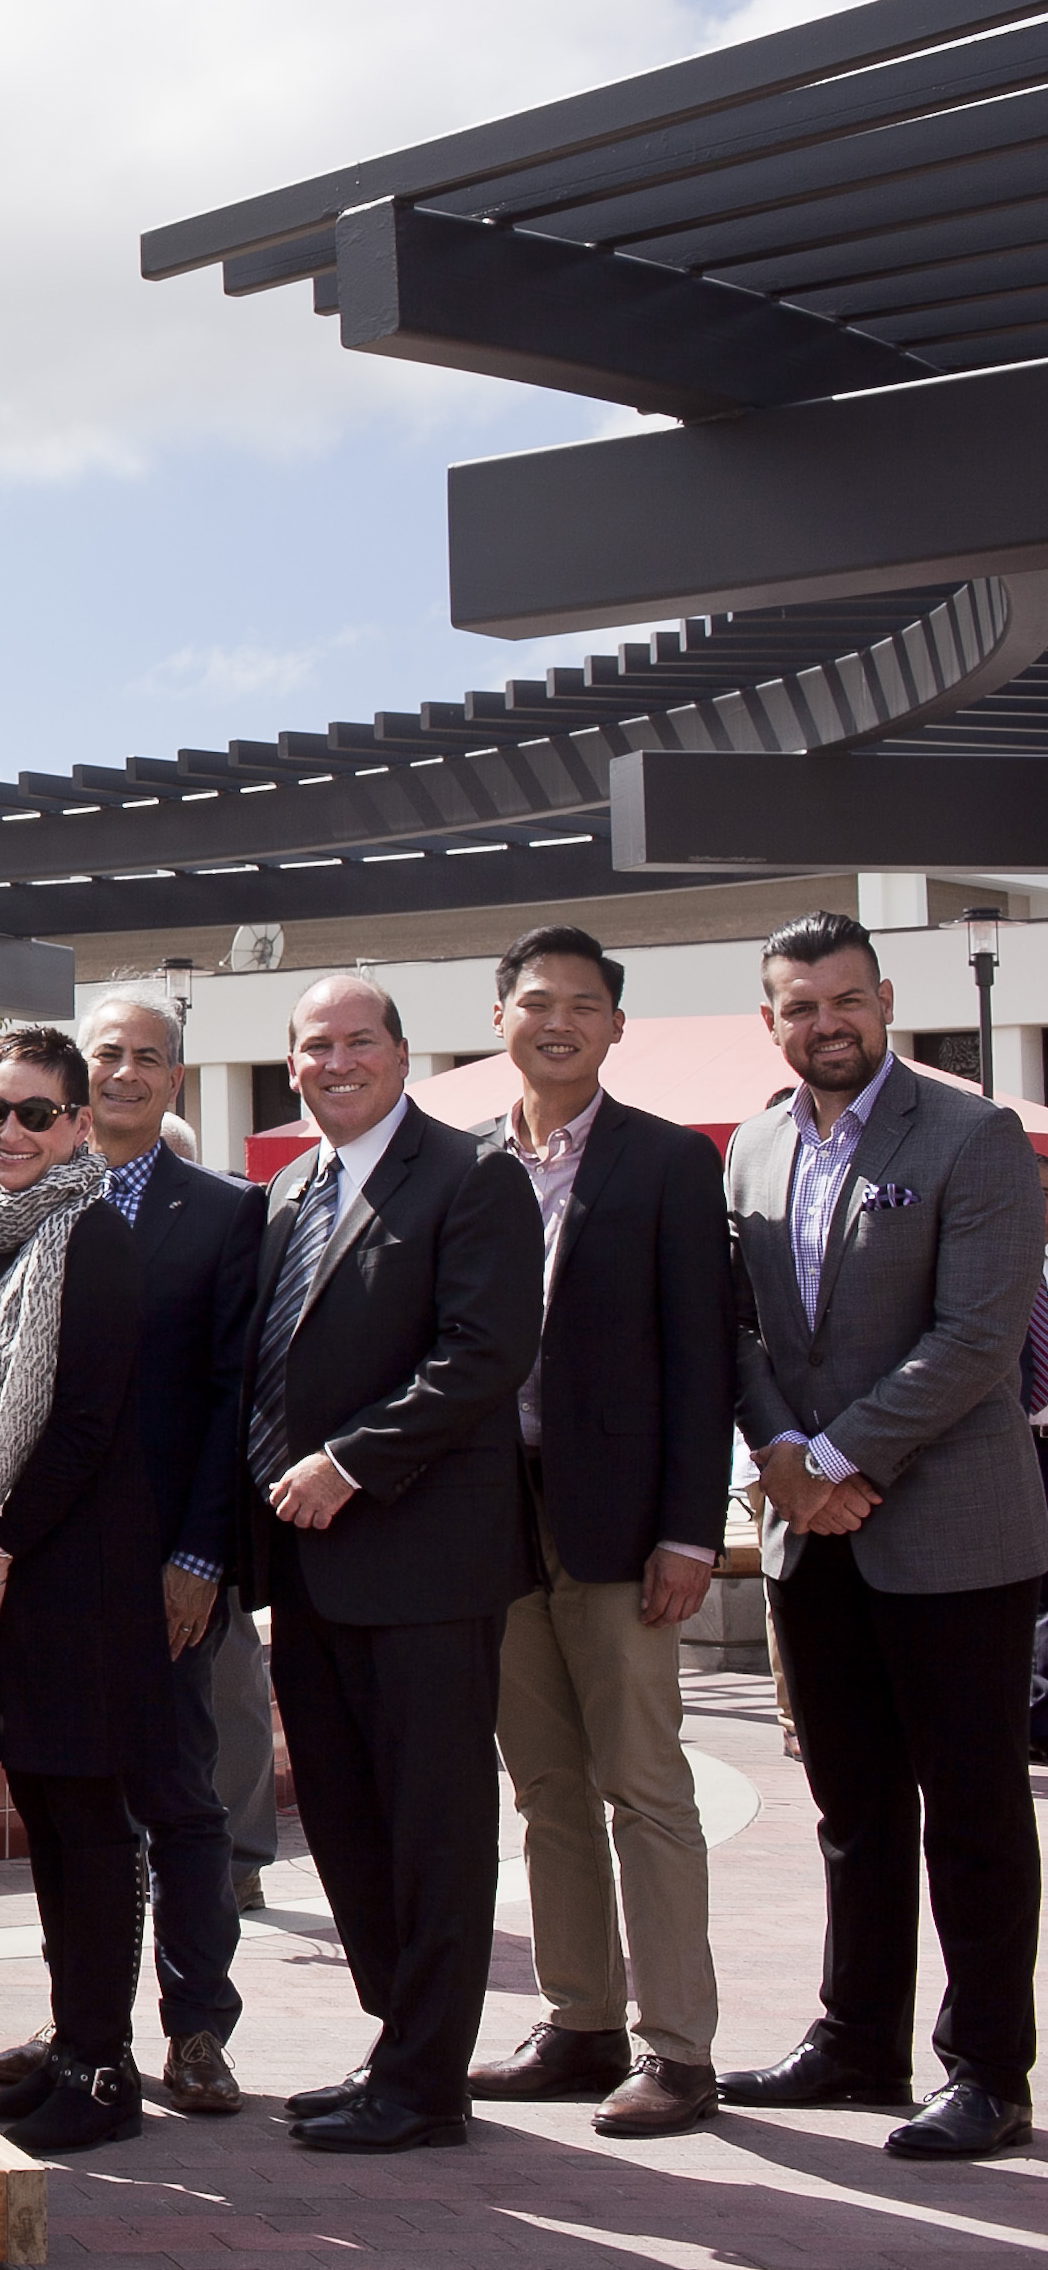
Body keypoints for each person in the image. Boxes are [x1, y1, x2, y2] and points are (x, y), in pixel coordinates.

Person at [716, 912, 1048, 2161]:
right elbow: (737, 1330)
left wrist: (838, 1460)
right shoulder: (748, 1148)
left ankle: (988, 2071)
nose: (826, 1024)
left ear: (886, 999)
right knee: (850, 1807)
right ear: (772, 1021)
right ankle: (858, 2042)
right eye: (800, 1007)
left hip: (953, 1528)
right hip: (814, 1533)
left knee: (969, 1808)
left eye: (845, 1000)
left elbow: (977, 1335)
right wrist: (784, 1463)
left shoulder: (974, 1135)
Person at [246, 973, 541, 2157]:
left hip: (423, 1562)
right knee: (348, 1824)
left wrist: (347, 1463)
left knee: (433, 1826)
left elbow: (484, 1353)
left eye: (358, 1041)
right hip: (308, 1572)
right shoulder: (287, 1191)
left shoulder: (473, 1177)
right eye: (315, 1046)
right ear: (290, 1065)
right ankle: (397, 2047)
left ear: (403, 1053)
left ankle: (426, 2083)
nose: (336, 1062)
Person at [461, 929, 734, 2139]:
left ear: (616, 1027)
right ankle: (580, 2023)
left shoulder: (668, 1164)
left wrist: (689, 1528)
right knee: (547, 1787)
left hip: (624, 1529)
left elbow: (703, 1359)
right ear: (501, 1019)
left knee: (645, 1783)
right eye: (535, 1002)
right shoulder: (464, 1166)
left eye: (584, 1004)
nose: (557, 1020)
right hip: (490, 1521)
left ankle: (679, 2051)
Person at [0, 988, 265, 2118]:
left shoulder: (225, 1213)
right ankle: (83, 2024)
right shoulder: (20, 1209)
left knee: (179, 1796)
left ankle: (196, 2028)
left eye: (151, 1057)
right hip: (60, 1564)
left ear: (176, 1082)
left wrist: (201, 1555)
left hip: (165, 1566)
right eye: (110, 1054)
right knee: (79, 1802)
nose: (128, 1072)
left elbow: (232, 1397)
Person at [0, 1030, 155, 2155]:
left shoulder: (91, 1235)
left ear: (77, 1127)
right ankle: (73, 2046)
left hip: (72, 1583)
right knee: (50, 1818)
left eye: (33, 1114)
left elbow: (86, 1424)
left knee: (89, 1822)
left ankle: (106, 2070)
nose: (7, 1132)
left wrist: (2, 1548)